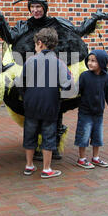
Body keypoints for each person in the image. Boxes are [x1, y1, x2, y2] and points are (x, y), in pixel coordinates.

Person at [0, 0, 108, 161]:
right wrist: (0, 18)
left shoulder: (57, 22)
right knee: (36, 107)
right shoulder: (24, 25)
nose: (36, 10)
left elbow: (78, 31)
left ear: (44, 8)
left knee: (56, 105)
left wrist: (94, 19)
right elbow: (9, 37)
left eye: (39, 7)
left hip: (57, 71)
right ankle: (38, 145)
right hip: (33, 74)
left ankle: (53, 145)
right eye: (33, 7)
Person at [18, 27, 75, 178]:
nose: (35, 47)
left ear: (40, 43)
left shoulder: (30, 61)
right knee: (48, 136)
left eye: (35, 44)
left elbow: (21, 83)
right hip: (50, 105)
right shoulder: (58, 63)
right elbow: (67, 85)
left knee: (29, 135)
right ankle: (46, 168)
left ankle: (29, 166)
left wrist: (26, 97)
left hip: (30, 105)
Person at [74, 49, 108, 169]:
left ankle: (95, 158)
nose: (90, 63)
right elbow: (77, 90)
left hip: (98, 113)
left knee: (97, 137)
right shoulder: (84, 76)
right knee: (83, 136)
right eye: (89, 60)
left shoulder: (107, 78)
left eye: (94, 61)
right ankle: (81, 159)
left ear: (102, 63)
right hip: (85, 113)